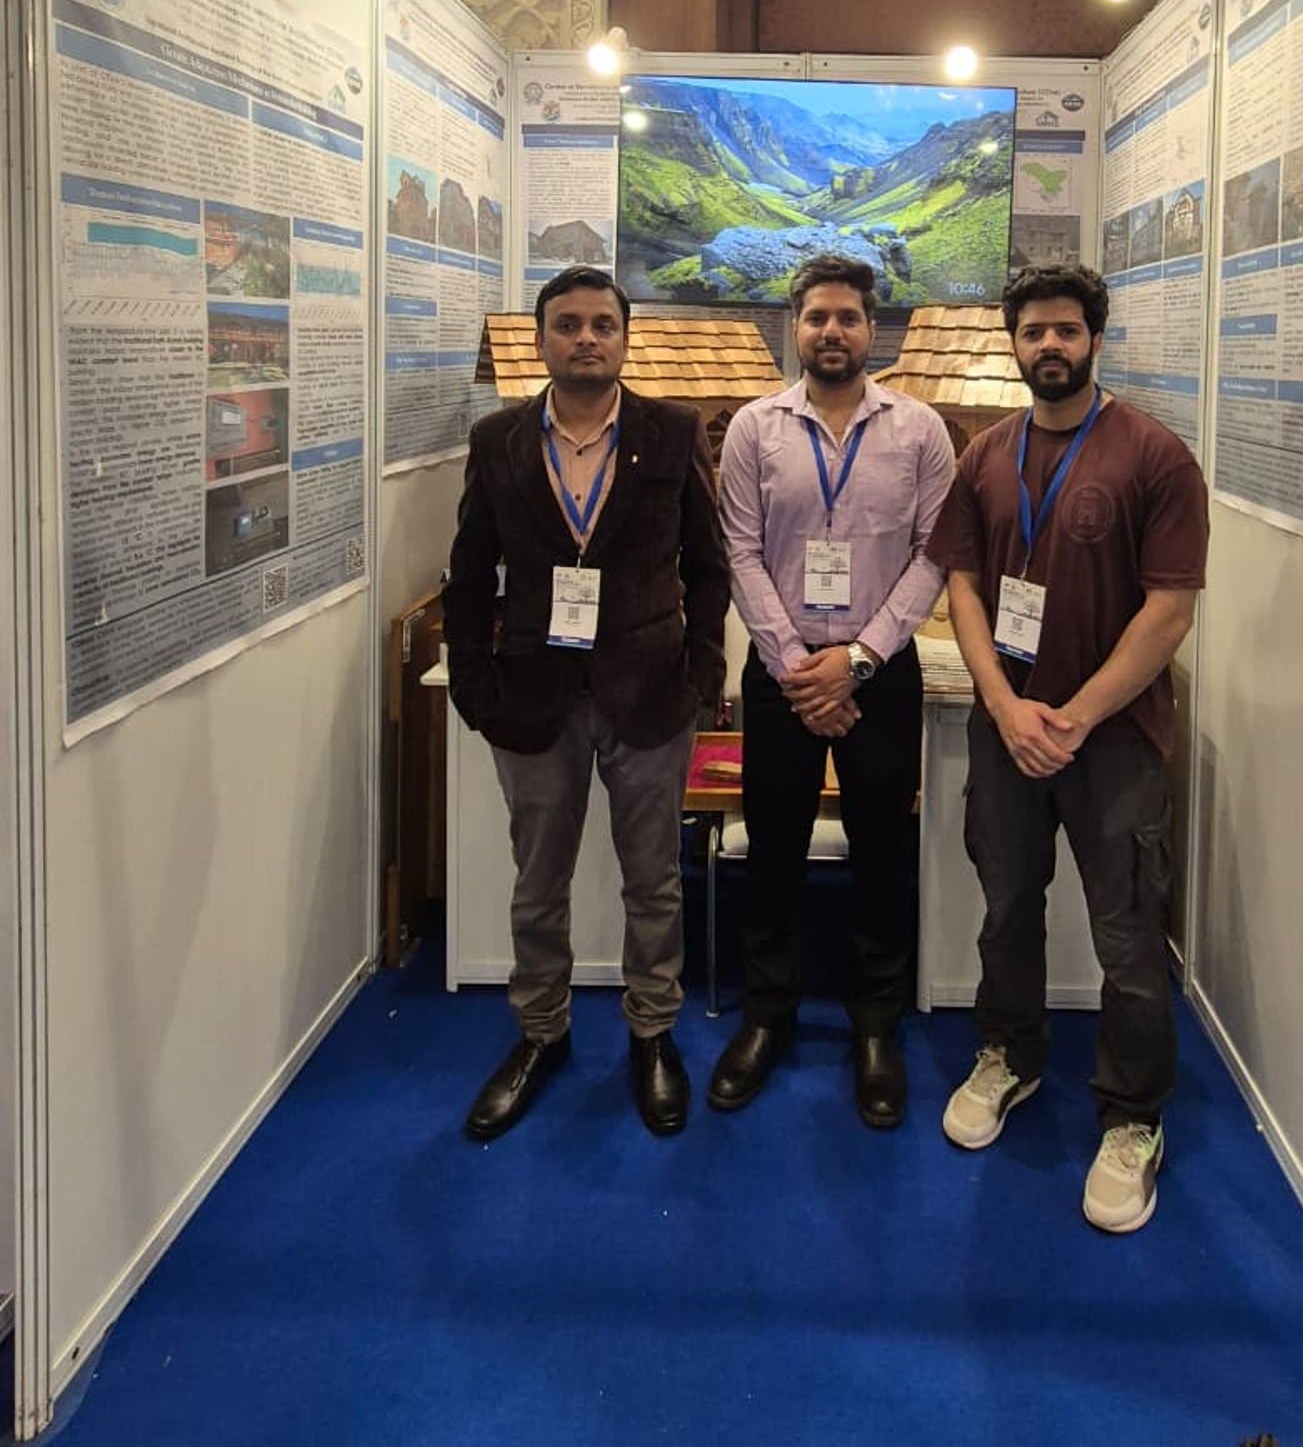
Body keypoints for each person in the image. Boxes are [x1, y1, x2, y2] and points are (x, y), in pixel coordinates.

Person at [926, 263, 1208, 1232]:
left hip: (1114, 739)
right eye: (1033, 331)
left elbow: (1169, 611)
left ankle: (1132, 1117)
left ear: (1094, 338)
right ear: (1013, 343)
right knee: (1007, 907)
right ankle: (1011, 1054)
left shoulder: (1155, 456)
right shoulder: (984, 456)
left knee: (1127, 935)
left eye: (1067, 330)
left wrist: (1075, 716)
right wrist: (1005, 706)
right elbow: (963, 587)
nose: (1050, 345)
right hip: (1008, 728)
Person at [443, 265, 730, 1141]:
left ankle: (652, 1032)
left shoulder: (673, 432)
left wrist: (700, 674)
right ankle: (542, 1030)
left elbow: (708, 565)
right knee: (538, 883)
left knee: (653, 881)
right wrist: (473, 686)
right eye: (567, 324)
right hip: (532, 699)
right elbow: (469, 571)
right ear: (541, 340)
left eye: (603, 323)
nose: (586, 338)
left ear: (624, 338)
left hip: (651, 694)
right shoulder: (497, 439)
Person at [710, 254, 956, 1127]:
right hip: (782, 673)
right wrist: (795, 664)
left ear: (871, 329)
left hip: (879, 674)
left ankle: (876, 1024)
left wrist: (858, 658)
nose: (832, 331)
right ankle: (766, 1015)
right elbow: (739, 551)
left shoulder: (922, 430)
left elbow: (934, 554)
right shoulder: (754, 428)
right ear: (796, 325)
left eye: (848, 316)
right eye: (817, 316)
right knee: (773, 846)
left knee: (882, 849)